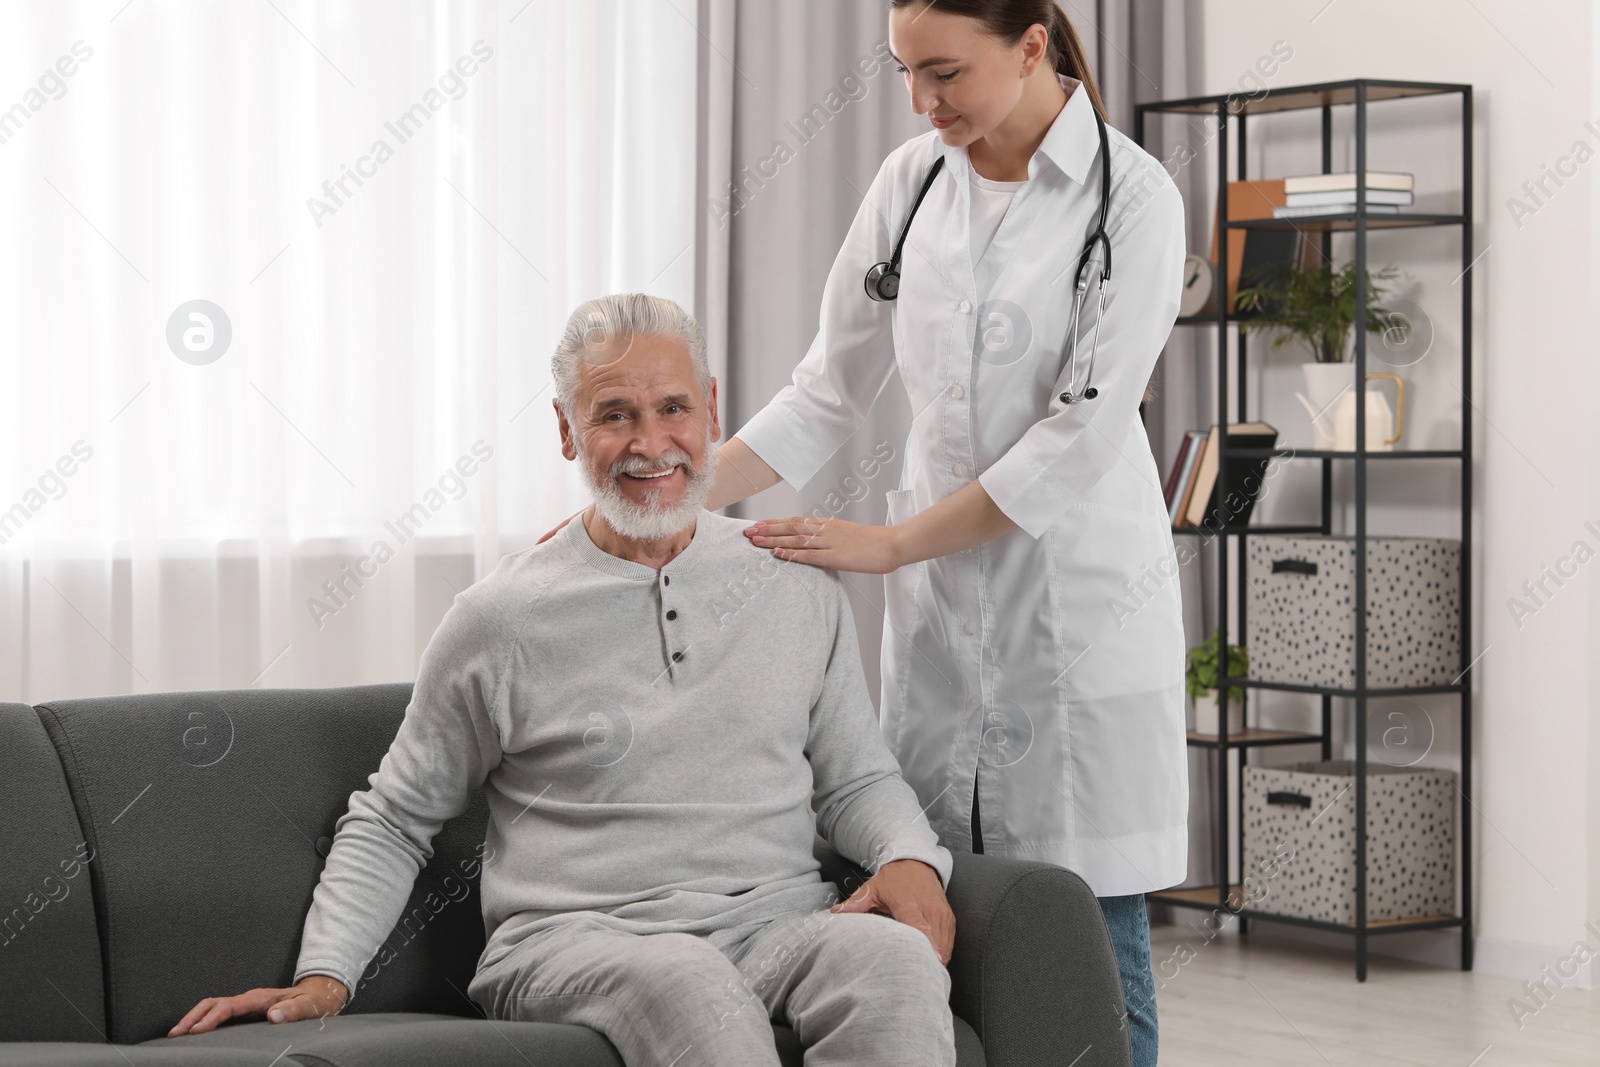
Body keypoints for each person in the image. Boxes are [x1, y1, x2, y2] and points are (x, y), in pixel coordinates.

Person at [168, 294, 959, 1067]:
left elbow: (857, 777)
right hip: (573, 941)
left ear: (713, 411)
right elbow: (395, 815)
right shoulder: (501, 617)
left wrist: (908, 856)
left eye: (673, 408)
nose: (652, 443)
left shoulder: (794, 584)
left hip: (778, 924)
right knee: (689, 980)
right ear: (566, 429)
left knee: (892, 963)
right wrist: (323, 977)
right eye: (615, 414)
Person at [710, 3, 1188, 1064]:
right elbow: (824, 392)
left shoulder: (1137, 200)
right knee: (943, 916)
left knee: (1087, 940)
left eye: (944, 74)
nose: (923, 104)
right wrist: (671, 488)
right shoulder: (912, 182)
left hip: (1076, 616)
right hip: (939, 622)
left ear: (1030, 47)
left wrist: (888, 543)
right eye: (904, 74)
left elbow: (1078, 435)